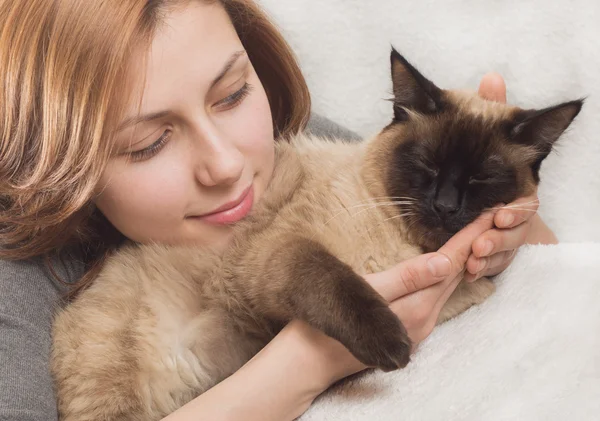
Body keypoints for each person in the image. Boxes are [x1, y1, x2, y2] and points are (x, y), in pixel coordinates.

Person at [0, 1, 558, 420]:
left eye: (232, 94)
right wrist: (307, 363)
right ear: (52, 160)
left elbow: (555, 272)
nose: (224, 165)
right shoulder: (13, 288)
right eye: (149, 143)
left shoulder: (296, 144)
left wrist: (510, 229)